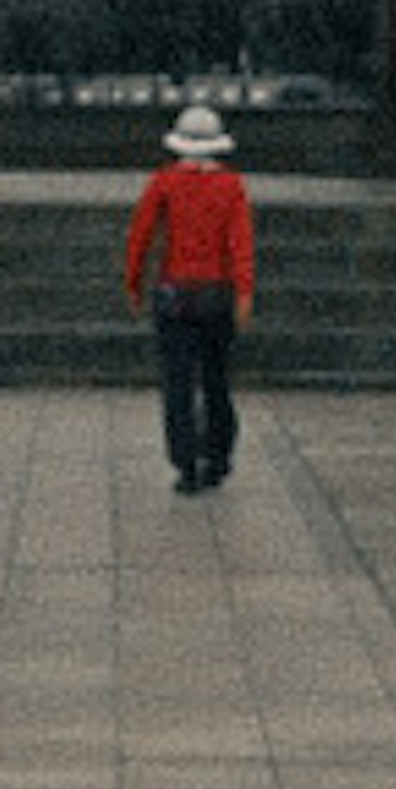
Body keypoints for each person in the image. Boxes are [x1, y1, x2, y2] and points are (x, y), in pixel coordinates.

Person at [124, 96, 253, 494]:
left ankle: (186, 465)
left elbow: (141, 236)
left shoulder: (163, 182)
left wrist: (134, 283)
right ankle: (218, 456)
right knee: (216, 379)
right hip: (217, 294)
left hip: (175, 293)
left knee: (178, 383)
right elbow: (241, 243)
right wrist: (245, 291)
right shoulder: (231, 186)